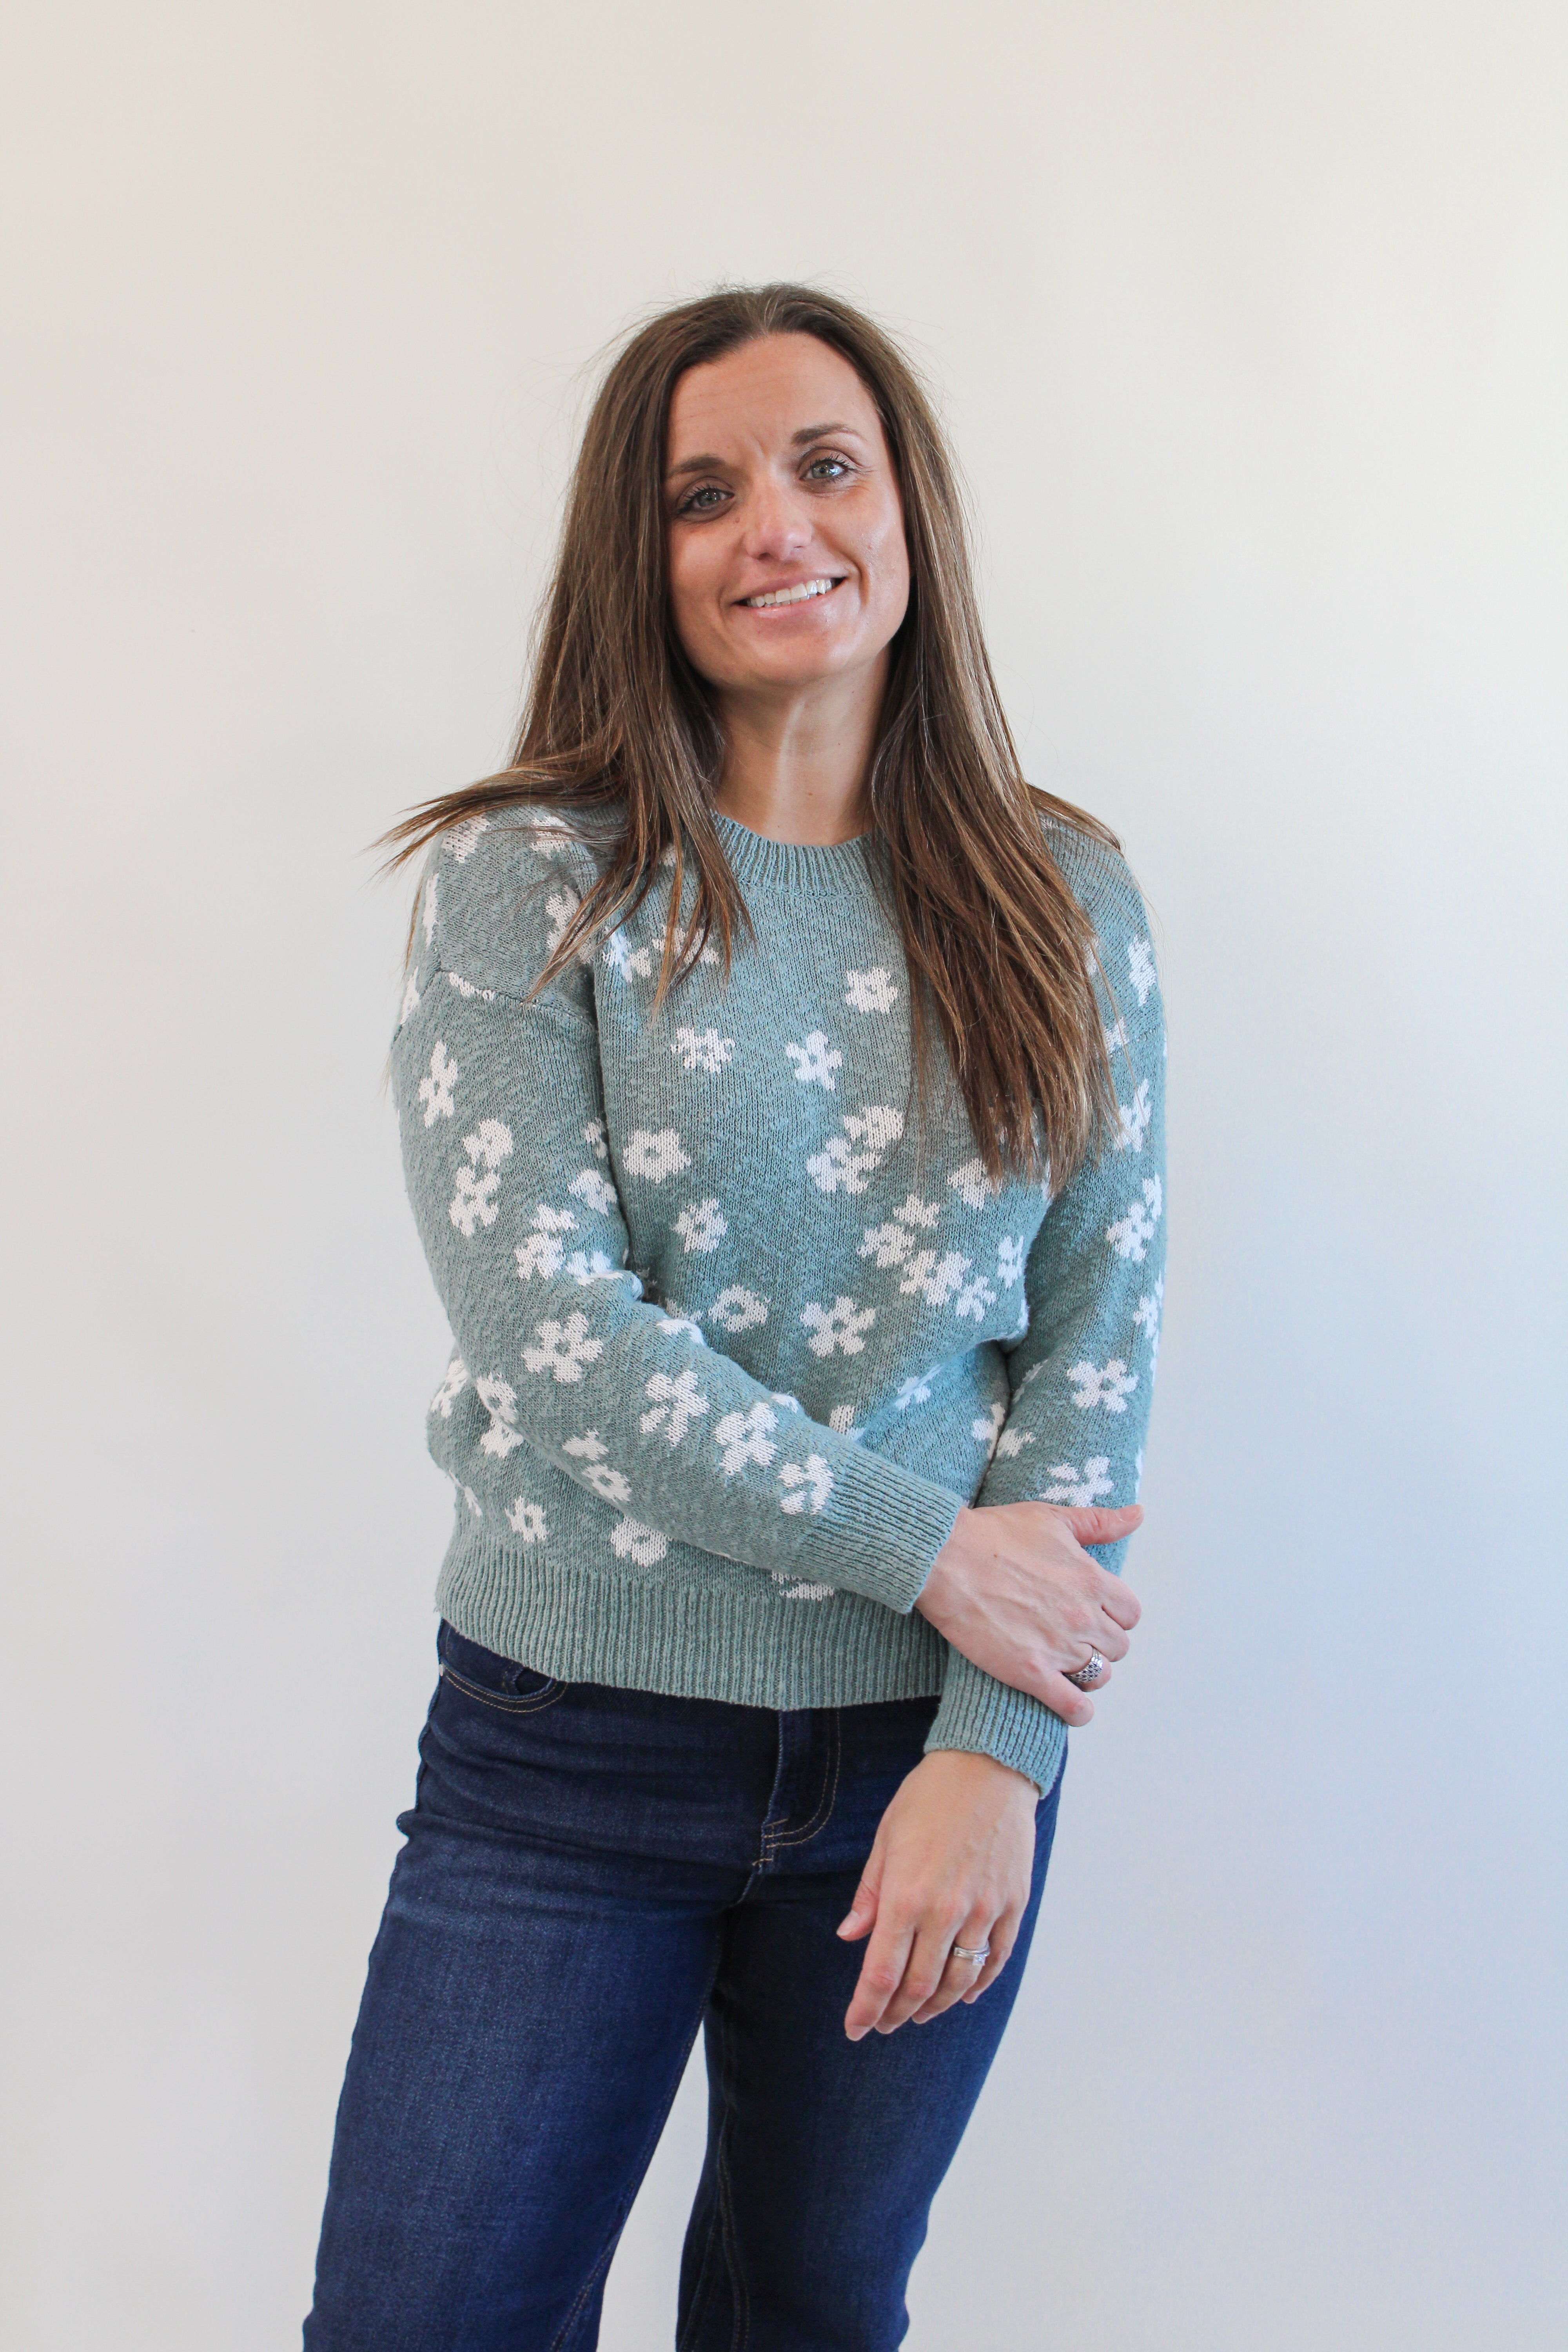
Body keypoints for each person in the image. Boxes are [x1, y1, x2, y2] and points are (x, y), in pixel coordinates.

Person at [303, 283, 1166, 2351]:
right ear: (643, 556)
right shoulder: (532, 881)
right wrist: (933, 1553)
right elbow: (555, 1335)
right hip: (569, 1744)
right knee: (425, 2318)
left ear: (906, 510)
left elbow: (1093, 1341)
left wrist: (997, 1753)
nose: (775, 525)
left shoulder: (1065, 899)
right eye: (704, 493)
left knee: (811, 2314)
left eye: (824, 465)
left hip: (919, 1756)